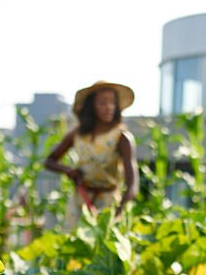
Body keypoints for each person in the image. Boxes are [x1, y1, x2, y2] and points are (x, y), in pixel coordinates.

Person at [44, 80, 139, 228]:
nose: (109, 108)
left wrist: (119, 210)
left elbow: (132, 185)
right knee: (73, 243)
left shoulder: (122, 138)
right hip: (80, 199)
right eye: (102, 103)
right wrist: (69, 171)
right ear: (91, 106)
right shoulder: (77, 135)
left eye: (112, 103)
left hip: (108, 203)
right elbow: (49, 161)